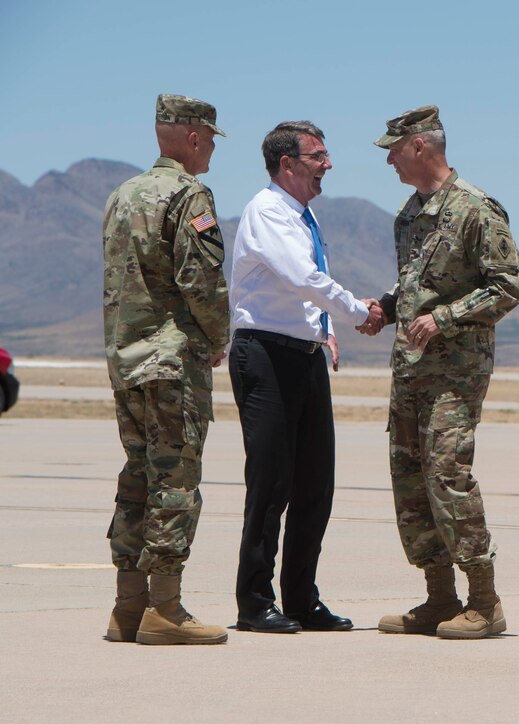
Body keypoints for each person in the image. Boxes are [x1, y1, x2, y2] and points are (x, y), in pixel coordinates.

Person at [366, 105, 519, 639]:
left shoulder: (475, 209)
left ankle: (485, 600)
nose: (388, 159)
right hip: (409, 370)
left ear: (420, 147)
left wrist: (447, 317)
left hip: (455, 372)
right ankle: (439, 596)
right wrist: (387, 308)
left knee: (447, 476)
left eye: (393, 148)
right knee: (409, 478)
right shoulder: (409, 214)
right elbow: (416, 285)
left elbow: (508, 285)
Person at [229, 121, 375, 633]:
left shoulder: (303, 215)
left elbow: (304, 292)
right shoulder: (268, 211)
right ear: (286, 164)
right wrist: (360, 312)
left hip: (304, 354)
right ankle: (253, 602)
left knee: (316, 482)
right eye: (318, 156)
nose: (327, 164)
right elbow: (302, 278)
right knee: (271, 482)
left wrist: (327, 328)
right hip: (265, 355)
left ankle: (300, 598)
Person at [102, 93, 230, 645]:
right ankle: (165, 608)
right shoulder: (188, 194)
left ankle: (127, 608)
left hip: (126, 359)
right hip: (171, 360)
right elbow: (199, 280)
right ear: (196, 137)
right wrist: (219, 335)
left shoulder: (122, 194)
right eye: (210, 142)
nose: (210, 154)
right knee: (175, 480)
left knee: (137, 477)